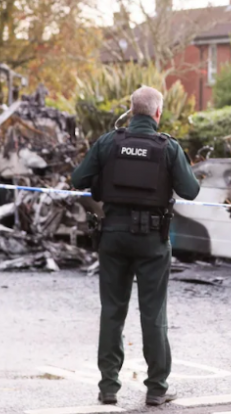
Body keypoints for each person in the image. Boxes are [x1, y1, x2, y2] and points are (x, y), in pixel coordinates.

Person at [71, 86, 200, 406]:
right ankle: (157, 388)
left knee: (112, 312)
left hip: (113, 237)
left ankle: (108, 387)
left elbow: (78, 179)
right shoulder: (167, 147)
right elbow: (191, 190)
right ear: (158, 113)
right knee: (153, 314)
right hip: (152, 241)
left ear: (131, 111)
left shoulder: (108, 142)